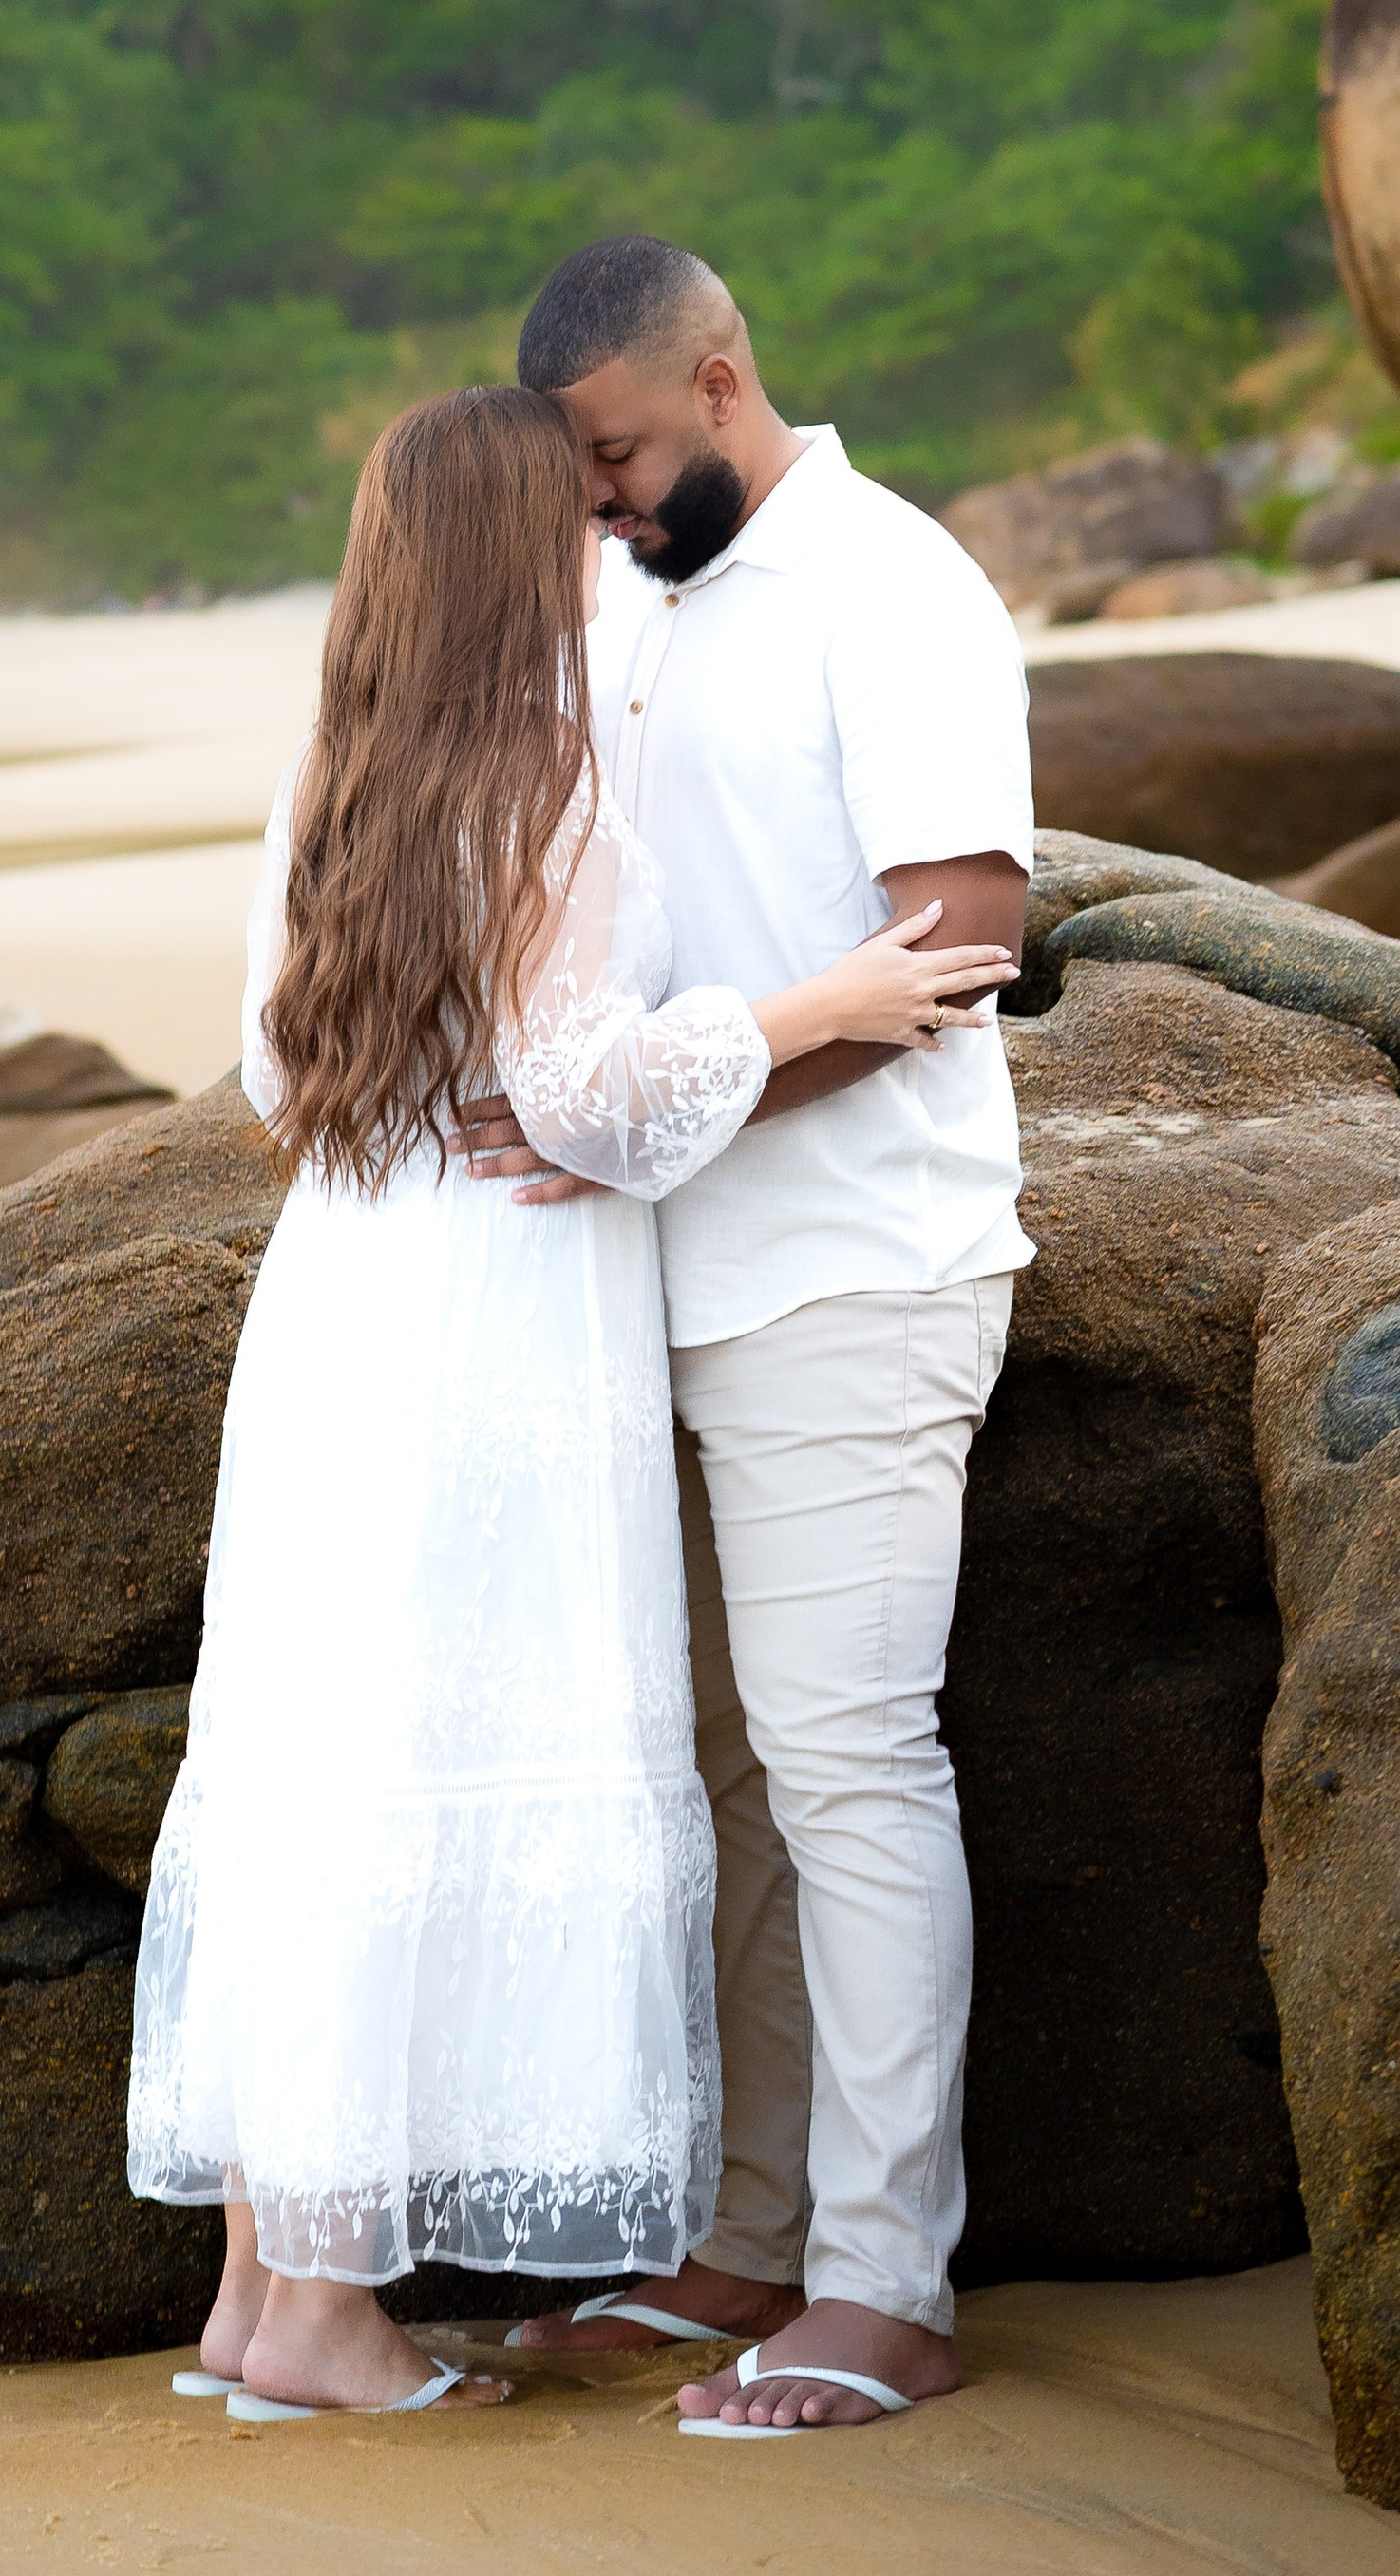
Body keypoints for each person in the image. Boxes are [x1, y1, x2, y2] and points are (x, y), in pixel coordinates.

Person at [125, 382, 1016, 2424]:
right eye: (570, 508)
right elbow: (585, 1099)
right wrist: (820, 1001)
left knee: (316, 1776)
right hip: (497, 1322)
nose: (604, 533)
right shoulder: (540, 773)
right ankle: (333, 2322)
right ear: (513, 554)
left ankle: (268, 2301)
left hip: (340, 1300)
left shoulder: (330, 775)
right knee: (440, 1775)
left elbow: (279, 1083)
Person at [473, 237, 1034, 2437]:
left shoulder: (891, 588)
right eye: (572, 474)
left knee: (846, 1761)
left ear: (715, 380)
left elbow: (960, 937)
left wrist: (655, 1106)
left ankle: (886, 2284)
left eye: (614, 453)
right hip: (638, 1289)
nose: (597, 500)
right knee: (709, 1786)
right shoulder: (625, 601)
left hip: (854, 1270)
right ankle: (741, 2232)